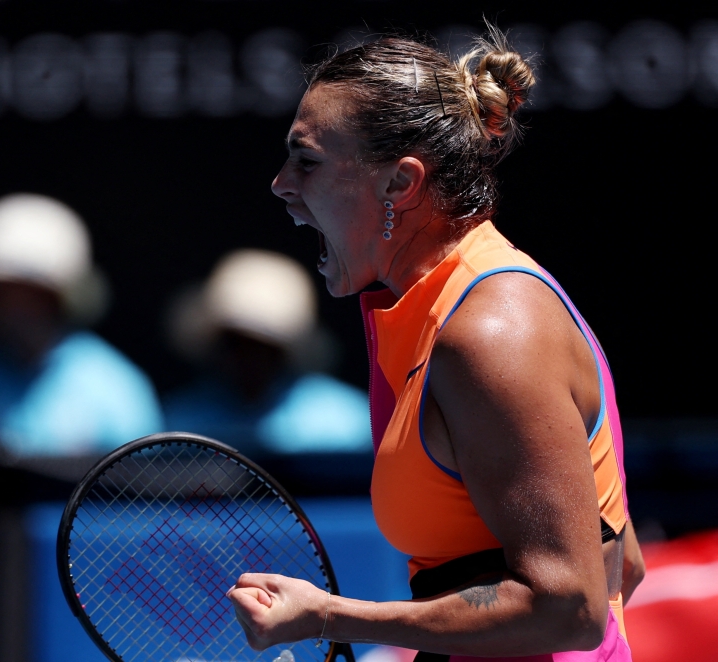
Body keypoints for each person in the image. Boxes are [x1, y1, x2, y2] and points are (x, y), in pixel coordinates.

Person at [226, 27, 645, 661]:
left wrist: (330, 617)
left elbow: (571, 607)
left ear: (401, 184)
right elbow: (625, 565)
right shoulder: (432, 310)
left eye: (306, 160)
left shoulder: (488, 334)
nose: (281, 183)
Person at [0, 193, 163, 458]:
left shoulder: (114, 388)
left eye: (21, 291)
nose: (2, 306)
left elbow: (146, 493)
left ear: (57, 297)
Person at [163, 249, 369, 456]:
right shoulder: (182, 423)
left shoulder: (346, 424)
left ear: (283, 351)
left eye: (260, 345)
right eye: (235, 341)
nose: (245, 356)